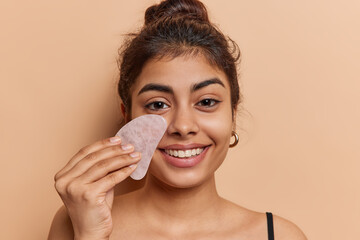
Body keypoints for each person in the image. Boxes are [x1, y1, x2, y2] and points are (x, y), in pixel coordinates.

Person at [48, 0, 307, 239]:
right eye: (158, 104)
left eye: (206, 102)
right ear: (127, 118)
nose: (183, 126)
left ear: (233, 115)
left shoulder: (280, 236)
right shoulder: (75, 222)